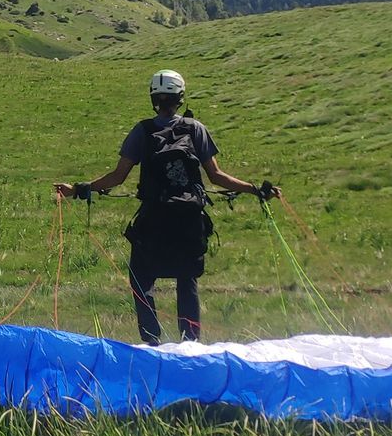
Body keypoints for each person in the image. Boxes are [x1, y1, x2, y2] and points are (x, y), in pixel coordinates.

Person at [55, 70, 276, 346]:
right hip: (189, 219)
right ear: (180, 98)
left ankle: (151, 343)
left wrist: (78, 189)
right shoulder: (195, 129)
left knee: (141, 279)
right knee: (187, 281)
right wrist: (256, 189)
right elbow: (217, 176)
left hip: (154, 219)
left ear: (153, 99)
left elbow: (117, 176)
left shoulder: (142, 131)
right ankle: (190, 344)